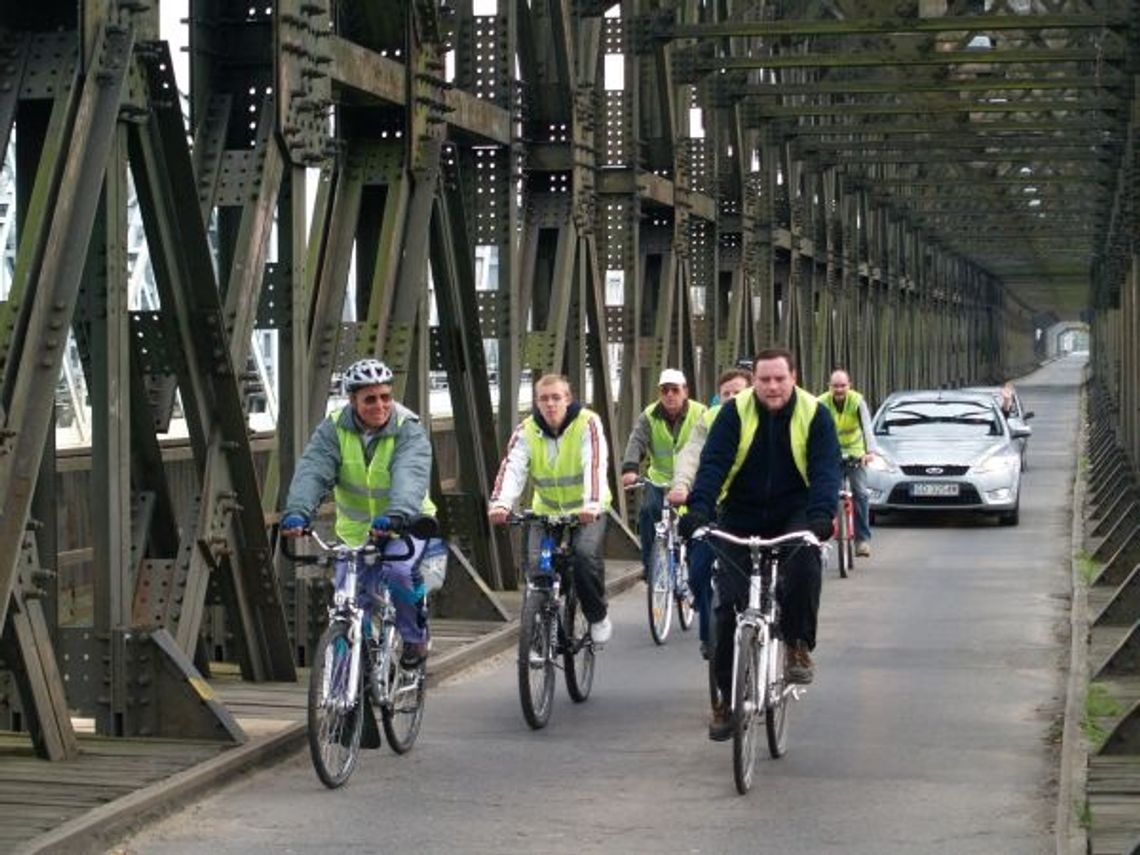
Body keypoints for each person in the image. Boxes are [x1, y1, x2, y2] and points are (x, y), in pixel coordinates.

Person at [679, 347, 840, 741]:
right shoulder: (735, 413)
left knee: (804, 565)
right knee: (726, 609)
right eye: (764, 379)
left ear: (794, 378)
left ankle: (798, 643)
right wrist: (698, 511)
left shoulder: (814, 414)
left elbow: (825, 469)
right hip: (742, 509)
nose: (771, 386)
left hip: (796, 508)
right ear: (754, 382)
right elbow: (713, 463)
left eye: (779, 379)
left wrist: (821, 516)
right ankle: (724, 698)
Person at [280, 358, 439, 668]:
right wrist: (298, 511)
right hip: (355, 532)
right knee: (348, 602)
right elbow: (314, 470)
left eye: (385, 397)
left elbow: (410, 474)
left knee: (399, 572)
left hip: (404, 526)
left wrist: (397, 514)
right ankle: (345, 683)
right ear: (353, 401)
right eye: (370, 399)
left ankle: (413, 639)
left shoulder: (408, 429)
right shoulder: (334, 428)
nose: (379, 405)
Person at [488, 374, 613, 645]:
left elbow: (594, 464)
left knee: (583, 556)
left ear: (568, 399)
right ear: (536, 402)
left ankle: (596, 614)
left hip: (587, 510)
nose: (550, 404)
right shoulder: (526, 430)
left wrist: (591, 503)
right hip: (545, 512)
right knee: (537, 567)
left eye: (556, 397)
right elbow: (513, 467)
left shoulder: (587, 423)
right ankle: (542, 620)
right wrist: (501, 503)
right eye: (544, 398)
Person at [666, 367, 752, 658]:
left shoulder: (760, 417)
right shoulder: (710, 419)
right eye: (726, 393)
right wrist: (680, 486)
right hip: (710, 507)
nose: (731, 398)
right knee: (699, 572)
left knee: (759, 574)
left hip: (749, 511)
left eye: (738, 393)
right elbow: (690, 456)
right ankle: (710, 637)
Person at [620, 369, 707, 581]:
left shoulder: (700, 412)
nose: (669, 395)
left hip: (691, 481)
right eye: (664, 390)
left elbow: (711, 442)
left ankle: (698, 565)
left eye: (675, 390)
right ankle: (651, 567)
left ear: (685, 391)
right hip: (659, 479)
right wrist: (630, 469)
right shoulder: (649, 415)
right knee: (649, 511)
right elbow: (637, 441)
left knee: (698, 521)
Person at [818, 368, 878, 558]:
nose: (839, 389)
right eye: (835, 386)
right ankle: (822, 538)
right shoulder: (821, 403)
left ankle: (862, 540)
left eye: (843, 385)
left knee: (860, 493)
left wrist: (870, 452)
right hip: (832, 453)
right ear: (829, 387)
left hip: (855, 453)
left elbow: (866, 427)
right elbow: (814, 430)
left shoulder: (857, 401)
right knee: (826, 494)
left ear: (849, 386)